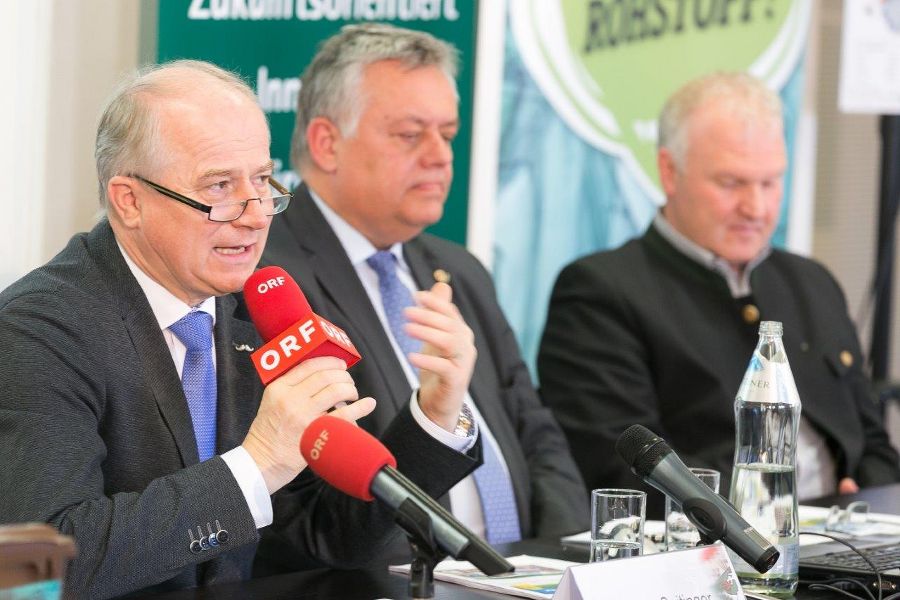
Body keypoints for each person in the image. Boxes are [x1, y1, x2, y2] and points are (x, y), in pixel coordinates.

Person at [0, 60, 477, 598]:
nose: (254, 215)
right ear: (129, 201)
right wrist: (258, 463)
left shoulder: (256, 311)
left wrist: (434, 414)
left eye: (262, 180)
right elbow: (43, 562)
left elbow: (328, 536)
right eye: (220, 187)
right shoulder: (40, 329)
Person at [259, 23, 587, 568]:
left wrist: (557, 561)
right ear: (327, 143)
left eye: (448, 134)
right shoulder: (272, 281)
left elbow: (536, 434)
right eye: (411, 135)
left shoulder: (460, 270)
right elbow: (317, 514)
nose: (440, 156)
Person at [538, 72, 900, 516]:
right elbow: (625, 472)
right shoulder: (600, 292)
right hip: (716, 557)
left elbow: (873, 443)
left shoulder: (811, 282)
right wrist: (783, 516)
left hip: (851, 544)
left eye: (770, 183)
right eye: (732, 184)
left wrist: (861, 507)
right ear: (670, 172)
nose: (757, 208)